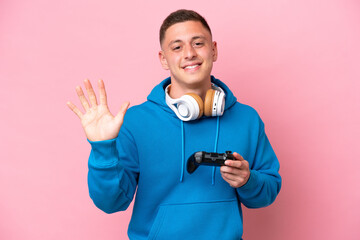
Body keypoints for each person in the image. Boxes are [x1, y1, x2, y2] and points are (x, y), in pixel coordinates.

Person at [67, 9, 281, 240]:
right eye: (177, 47)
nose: (189, 53)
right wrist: (102, 148)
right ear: (163, 59)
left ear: (214, 50)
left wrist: (248, 180)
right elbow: (111, 203)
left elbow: (266, 194)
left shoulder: (247, 119)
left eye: (198, 43)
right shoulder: (136, 121)